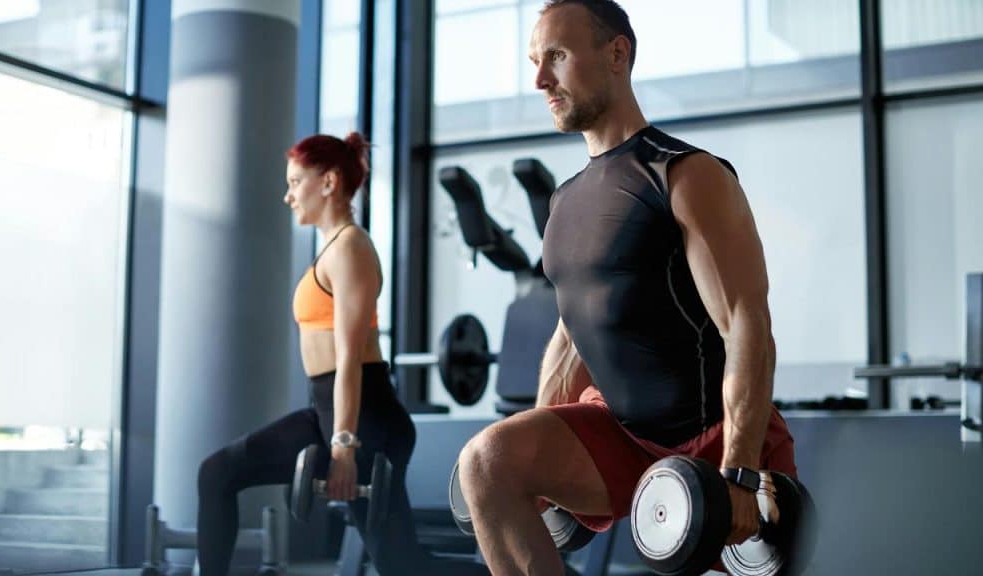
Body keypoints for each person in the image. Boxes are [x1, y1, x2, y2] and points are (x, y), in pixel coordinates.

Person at [456, 2, 798, 575]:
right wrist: (536, 442)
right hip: (618, 434)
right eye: (535, 61)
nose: (540, 80)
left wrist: (739, 471)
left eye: (557, 56)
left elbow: (746, 325)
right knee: (487, 462)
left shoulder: (685, 174)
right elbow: (572, 337)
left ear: (617, 54)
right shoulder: (565, 202)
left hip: (713, 440)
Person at [196, 132, 484, 575]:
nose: (289, 195)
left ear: (328, 183)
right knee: (218, 473)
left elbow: (349, 358)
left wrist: (345, 445)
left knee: (404, 567)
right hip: (328, 413)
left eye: (296, 182)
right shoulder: (332, 248)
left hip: (365, 420)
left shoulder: (350, 248)